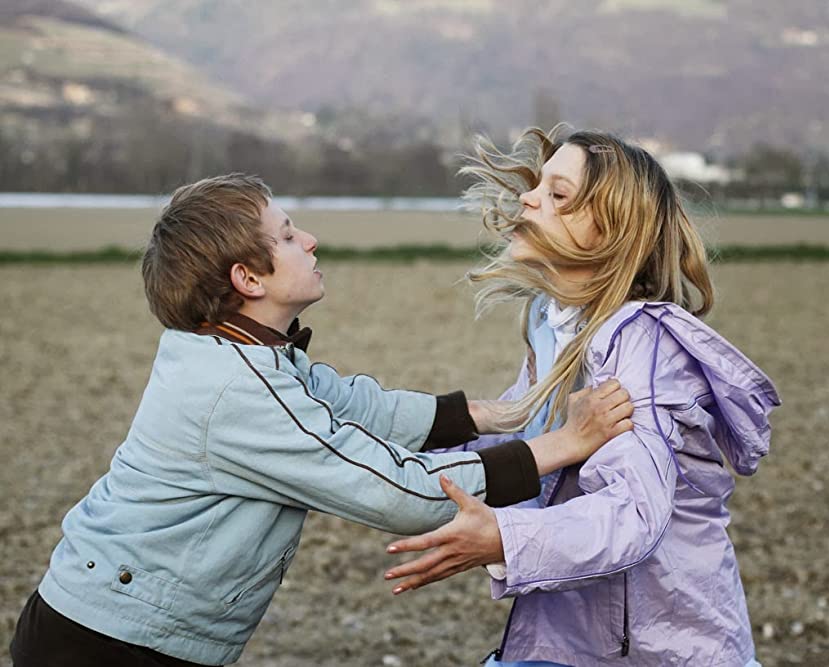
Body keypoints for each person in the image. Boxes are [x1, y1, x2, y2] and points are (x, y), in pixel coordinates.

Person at [8, 174, 634, 667]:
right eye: (285, 236)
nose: (308, 240)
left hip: (110, 624)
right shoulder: (237, 387)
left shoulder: (252, 354)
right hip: (106, 642)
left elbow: (364, 409)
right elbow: (398, 490)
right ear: (246, 278)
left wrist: (502, 413)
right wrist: (563, 443)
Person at [383, 129, 781, 666]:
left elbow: (633, 513)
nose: (528, 198)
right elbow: (522, 448)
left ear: (609, 233)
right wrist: (386, 466)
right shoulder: (554, 324)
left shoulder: (642, 345)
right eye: (538, 186)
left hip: (659, 648)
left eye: (558, 194)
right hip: (568, 639)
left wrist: (504, 538)